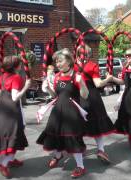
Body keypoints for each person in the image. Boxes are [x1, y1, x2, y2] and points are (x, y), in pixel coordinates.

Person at [37, 48, 89, 178]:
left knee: (72, 137)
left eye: (60, 61)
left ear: (69, 61)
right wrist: (48, 88)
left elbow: (85, 95)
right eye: (56, 62)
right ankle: (58, 155)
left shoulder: (76, 75)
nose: (57, 64)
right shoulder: (57, 76)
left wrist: (81, 83)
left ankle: (80, 166)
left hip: (72, 112)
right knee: (55, 135)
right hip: (57, 111)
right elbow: (56, 95)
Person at [74, 45, 115, 163]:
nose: (86, 56)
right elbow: (98, 84)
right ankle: (101, 150)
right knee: (96, 125)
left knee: (78, 125)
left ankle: (82, 148)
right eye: (86, 54)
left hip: (79, 97)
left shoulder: (72, 66)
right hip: (91, 97)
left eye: (87, 54)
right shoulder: (91, 65)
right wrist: (108, 79)